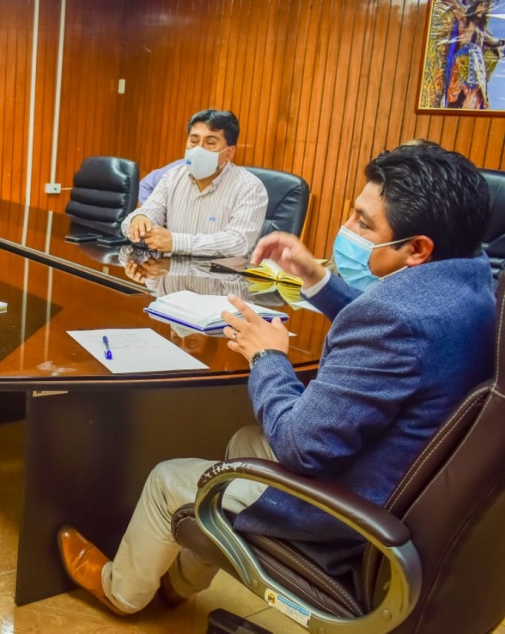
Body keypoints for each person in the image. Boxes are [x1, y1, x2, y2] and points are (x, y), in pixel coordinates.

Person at [57, 142, 496, 615]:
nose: (346, 229)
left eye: (363, 223)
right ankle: (180, 582)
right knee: (245, 441)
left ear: (417, 248)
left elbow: (298, 446)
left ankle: (121, 592)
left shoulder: (395, 320)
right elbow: (393, 329)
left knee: (167, 480)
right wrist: (315, 277)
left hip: (350, 510)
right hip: (404, 482)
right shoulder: (472, 285)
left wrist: (267, 357)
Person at [121, 109, 268, 257]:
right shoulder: (173, 176)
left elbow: (238, 243)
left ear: (229, 152)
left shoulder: (250, 187)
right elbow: (133, 221)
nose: (199, 149)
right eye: (194, 141)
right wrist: (139, 220)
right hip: (169, 268)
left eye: (210, 143)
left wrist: (177, 242)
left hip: (221, 272)